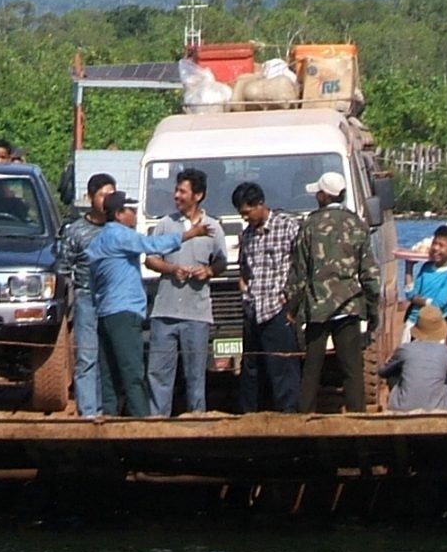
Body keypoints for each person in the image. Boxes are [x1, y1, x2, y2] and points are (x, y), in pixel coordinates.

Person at [82, 194, 212, 418]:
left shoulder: (97, 242)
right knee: (133, 371)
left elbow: (94, 282)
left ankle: (108, 419)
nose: (134, 213)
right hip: (124, 312)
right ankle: (141, 421)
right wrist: (191, 233)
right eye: (131, 209)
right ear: (119, 214)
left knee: (109, 374)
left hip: (104, 312)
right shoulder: (121, 235)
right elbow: (151, 245)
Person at [294, 171, 382, 411]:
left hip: (318, 308)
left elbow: (299, 274)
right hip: (350, 305)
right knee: (352, 369)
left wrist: (293, 309)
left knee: (311, 369)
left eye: (318, 193)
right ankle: (358, 421)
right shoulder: (357, 224)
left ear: (323, 195)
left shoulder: (309, 225)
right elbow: (370, 274)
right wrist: (373, 309)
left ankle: (304, 420)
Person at [144, 167, 225, 416]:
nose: (176, 195)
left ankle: (196, 422)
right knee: (159, 372)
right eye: (176, 190)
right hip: (165, 312)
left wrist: (208, 271)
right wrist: (171, 269)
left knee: (195, 374)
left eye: (182, 191)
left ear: (198, 195)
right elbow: (150, 259)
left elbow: (221, 262)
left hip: (197, 314)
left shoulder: (213, 227)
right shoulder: (165, 225)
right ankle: (157, 423)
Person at [230, 180, 303, 414]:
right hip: (253, 309)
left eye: (247, 212)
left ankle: (288, 418)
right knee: (251, 368)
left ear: (260, 204)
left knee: (283, 367)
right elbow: (244, 268)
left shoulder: (288, 227)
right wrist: (245, 294)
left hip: (277, 309)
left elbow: (302, 266)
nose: (245, 218)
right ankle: (251, 418)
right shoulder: (247, 235)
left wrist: (290, 302)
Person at [55, 172, 116, 414]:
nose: (107, 200)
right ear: (90, 198)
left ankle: (109, 410)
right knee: (87, 357)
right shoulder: (75, 231)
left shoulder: (119, 227)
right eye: (103, 195)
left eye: (112, 195)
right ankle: (89, 412)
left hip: (114, 300)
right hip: (87, 299)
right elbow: (63, 268)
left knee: (110, 358)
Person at [379, 304, 447, 412]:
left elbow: (383, 371)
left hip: (402, 408)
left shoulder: (406, 349)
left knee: (396, 370)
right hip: (436, 408)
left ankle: (403, 400)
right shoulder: (446, 352)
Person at [401, 224, 447, 319]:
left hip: (434, 325)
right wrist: (409, 267)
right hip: (413, 320)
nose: (436, 248)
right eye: (434, 243)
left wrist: (418, 300)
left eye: (441, 245)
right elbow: (410, 294)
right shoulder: (427, 267)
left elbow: (437, 304)